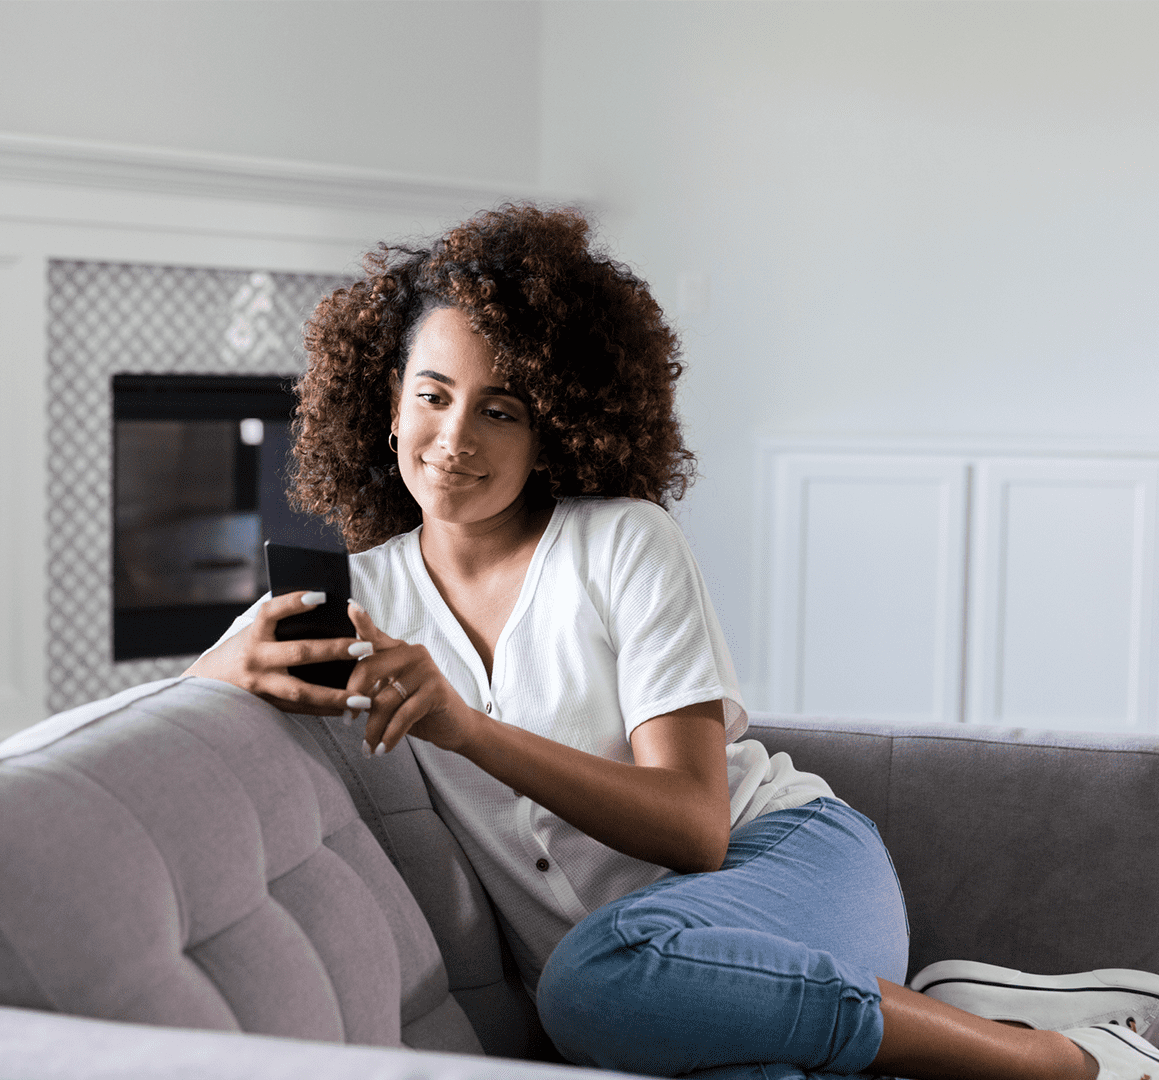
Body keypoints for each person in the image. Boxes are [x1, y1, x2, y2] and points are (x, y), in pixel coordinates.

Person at [188, 205, 1159, 1080]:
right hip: (661, 999)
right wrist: (225, 667)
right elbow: (191, 697)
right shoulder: (361, 595)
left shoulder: (621, 543)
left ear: (552, 429)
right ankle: (946, 1015)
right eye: (434, 395)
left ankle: (1061, 1062)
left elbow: (698, 829)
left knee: (586, 984)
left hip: (785, 872)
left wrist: (463, 728)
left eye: (501, 409)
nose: (454, 439)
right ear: (391, 395)